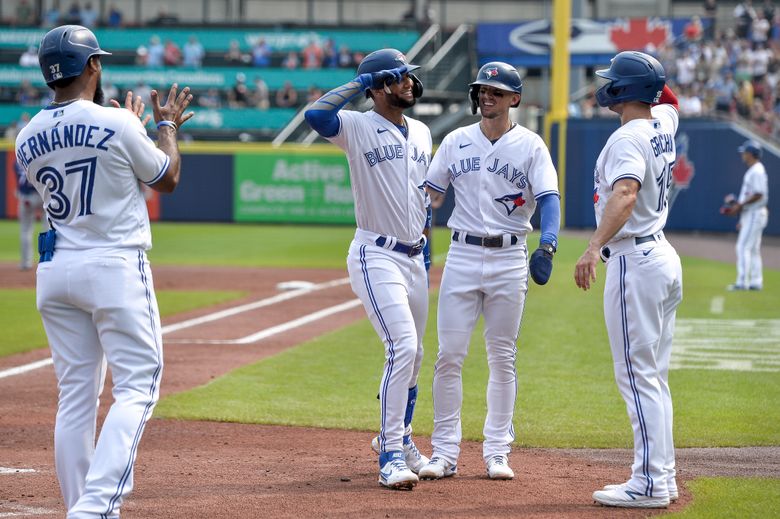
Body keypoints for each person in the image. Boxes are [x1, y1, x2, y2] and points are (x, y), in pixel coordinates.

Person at [14, 25, 194, 518]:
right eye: (99, 61)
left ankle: (84, 506)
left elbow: (82, 156)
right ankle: (94, 507)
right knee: (138, 385)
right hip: (113, 265)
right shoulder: (116, 124)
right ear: (92, 66)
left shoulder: (25, 136)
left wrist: (124, 131)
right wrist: (164, 129)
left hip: (56, 271)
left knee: (75, 395)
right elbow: (167, 178)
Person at [419, 62, 560, 481]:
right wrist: (417, 237)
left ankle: (497, 451)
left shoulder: (532, 146)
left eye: (496, 91)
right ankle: (444, 452)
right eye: (482, 89)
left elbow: (550, 199)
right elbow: (431, 197)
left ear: (514, 98)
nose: (486, 96)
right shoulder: (456, 140)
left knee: (502, 358)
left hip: (509, 257)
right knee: (449, 356)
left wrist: (548, 244)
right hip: (461, 256)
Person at [304, 48, 432, 490]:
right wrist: (363, 82)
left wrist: (428, 250)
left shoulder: (422, 132)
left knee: (415, 357)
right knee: (402, 344)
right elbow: (315, 116)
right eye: (399, 78)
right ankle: (390, 457)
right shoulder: (357, 126)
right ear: (379, 88)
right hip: (375, 254)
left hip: (415, 256)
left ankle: (399, 438)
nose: (409, 83)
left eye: (410, 77)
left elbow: (421, 200)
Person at [574, 51, 682, 509]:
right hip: (661, 256)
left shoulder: (627, 139)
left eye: (612, 80)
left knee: (638, 378)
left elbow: (625, 192)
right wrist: (656, 80)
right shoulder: (662, 124)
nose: (605, 85)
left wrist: (593, 246)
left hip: (634, 260)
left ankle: (651, 483)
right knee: (652, 377)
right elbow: (670, 101)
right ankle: (662, 476)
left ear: (623, 90)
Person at [722, 140, 769, 290]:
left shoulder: (756, 170)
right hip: (753, 212)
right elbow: (753, 195)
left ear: (751, 154)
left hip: (755, 212)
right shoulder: (755, 170)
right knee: (753, 248)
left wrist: (738, 206)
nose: (743, 155)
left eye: (745, 152)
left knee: (742, 247)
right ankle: (756, 281)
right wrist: (737, 204)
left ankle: (742, 282)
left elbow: (758, 194)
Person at [15, 142, 49, 271]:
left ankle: (26, 263)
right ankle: (47, 259)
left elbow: (20, 181)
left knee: (25, 231)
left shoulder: (18, 160)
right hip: (43, 196)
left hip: (27, 198)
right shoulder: (44, 158)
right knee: (48, 229)